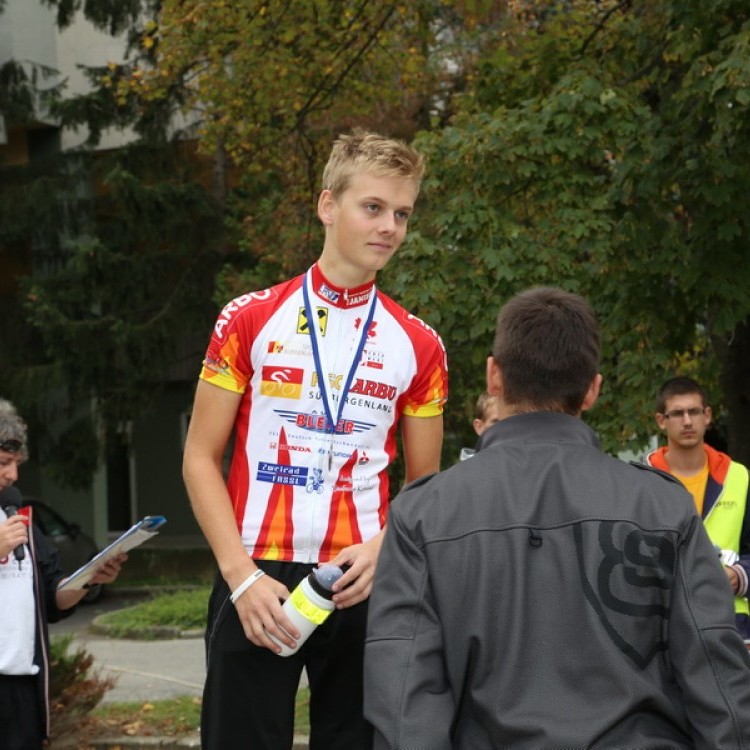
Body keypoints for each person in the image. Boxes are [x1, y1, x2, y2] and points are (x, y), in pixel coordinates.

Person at [364, 287, 750, 750]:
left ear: (494, 377)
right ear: (592, 390)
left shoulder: (424, 513)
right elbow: (717, 682)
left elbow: (406, 702)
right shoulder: (662, 506)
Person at [182, 130, 448, 750]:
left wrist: (386, 548)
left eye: (402, 213)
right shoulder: (248, 318)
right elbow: (199, 458)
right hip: (255, 572)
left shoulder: (420, 344)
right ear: (328, 205)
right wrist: (240, 576)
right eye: (373, 207)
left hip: (365, 576)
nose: (389, 227)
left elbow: (424, 485)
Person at [0, 398, 126, 750]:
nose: (13, 475)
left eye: (16, 464)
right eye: (4, 464)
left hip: (22, 684)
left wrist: (90, 579)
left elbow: (53, 598)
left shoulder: (19, 523)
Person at [645, 376, 750, 641]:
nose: (688, 421)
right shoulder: (641, 480)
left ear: (708, 416)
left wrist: (739, 576)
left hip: (731, 627)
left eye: (694, 412)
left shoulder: (739, 477)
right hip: (662, 628)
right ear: (661, 420)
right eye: (677, 413)